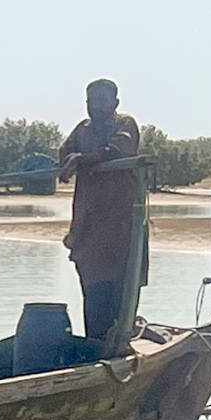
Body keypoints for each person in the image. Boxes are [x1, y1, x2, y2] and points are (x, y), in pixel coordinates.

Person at [57, 78, 144, 351]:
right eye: (91, 101)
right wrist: (72, 159)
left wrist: (84, 159)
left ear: (115, 103)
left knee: (122, 290)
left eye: (102, 101)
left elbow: (119, 150)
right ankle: (95, 352)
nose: (96, 107)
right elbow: (65, 152)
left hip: (122, 227)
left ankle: (120, 347)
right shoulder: (82, 131)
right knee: (93, 294)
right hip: (89, 227)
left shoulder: (125, 124)